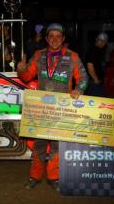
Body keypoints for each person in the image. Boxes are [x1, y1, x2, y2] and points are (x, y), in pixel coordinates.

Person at [17, 23, 88, 191]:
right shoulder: (38, 55)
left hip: (62, 109)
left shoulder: (73, 57)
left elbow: (84, 78)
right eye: (51, 36)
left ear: (63, 38)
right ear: (47, 39)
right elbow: (27, 76)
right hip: (42, 109)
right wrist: (21, 70)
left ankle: (53, 177)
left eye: (58, 36)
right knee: (38, 145)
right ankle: (34, 176)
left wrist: (79, 89)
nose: (55, 39)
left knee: (57, 145)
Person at [86, 32, 108, 96]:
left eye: (104, 41)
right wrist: (96, 80)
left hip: (97, 80)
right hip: (93, 81)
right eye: (100, 40)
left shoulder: (99, 49)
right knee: (95, 101)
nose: (102, 43)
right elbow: (90, 66)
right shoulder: (93, 50)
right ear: (96, 39)